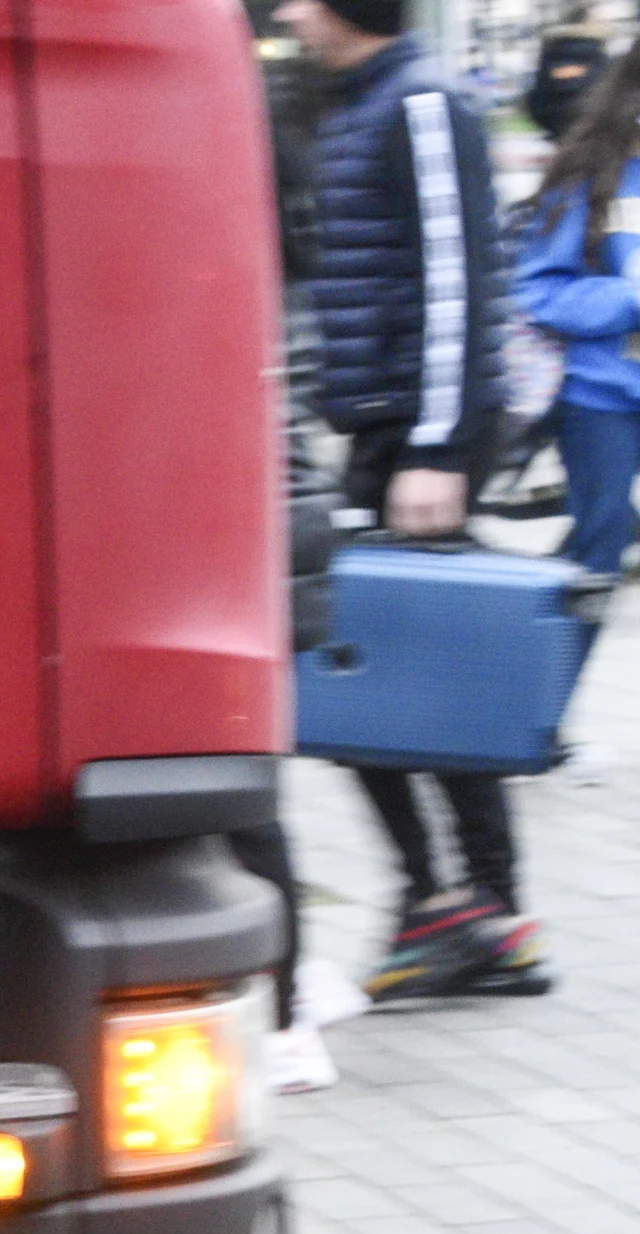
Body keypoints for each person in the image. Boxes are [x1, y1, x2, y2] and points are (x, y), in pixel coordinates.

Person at [276, 0, 551, 1002]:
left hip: (426, 431)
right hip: (388, 428)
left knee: (417, 675)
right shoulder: (354, 104)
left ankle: (480, 907)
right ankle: (458, 902)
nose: (293, 12)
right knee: (379, 677)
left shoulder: (423, 101)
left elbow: (456, 280)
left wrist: (435, 448)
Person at [519, 48, 640, 588]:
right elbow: (538, 291)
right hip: (602, 400)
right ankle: (554, 662)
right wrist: (630, 299)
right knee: (598, 554)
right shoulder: (593, 171)